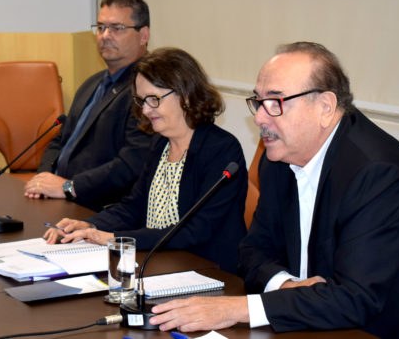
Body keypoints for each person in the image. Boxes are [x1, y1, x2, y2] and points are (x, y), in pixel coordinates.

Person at [149, 42, 399, 337]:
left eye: (276, 102)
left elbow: (356, 298)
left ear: (325, 107)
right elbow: (252, 250)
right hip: (323, 320)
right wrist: (285, 286)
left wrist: (240, 309)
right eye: (259, 101)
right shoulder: (280, 157)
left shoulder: (376, 174)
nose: (260, 118)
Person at [44, 47, 248, 273]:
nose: (146, 110)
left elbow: (194, 231)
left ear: (186, 95)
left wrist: (113, 238)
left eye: (154, 99)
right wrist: (91, 225)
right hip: (158, 263)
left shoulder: (221, 150)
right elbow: (134, 207)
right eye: (142, 101)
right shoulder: (160, 143)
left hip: (208, 271)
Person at [24, 0, 153, 211]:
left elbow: (132, 163)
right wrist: (43, 179)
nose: (105, 35)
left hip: (101, 207)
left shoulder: (147, 89)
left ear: (143, 35)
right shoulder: (92, 84)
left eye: (117, 28)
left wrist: (68, 187)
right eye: (101, 27)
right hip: (61, 198)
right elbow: (60, 140)